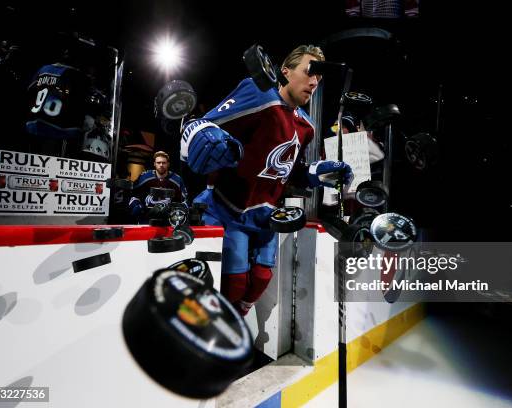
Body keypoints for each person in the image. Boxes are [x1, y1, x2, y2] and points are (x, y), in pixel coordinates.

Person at [180, 45, 354, 315]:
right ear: (285, 71)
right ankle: (222, 328)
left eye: (319, 79)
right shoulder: (260, 93)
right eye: (309, 73)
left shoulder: (306, 126)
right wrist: (197, 136)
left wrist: (318, 174)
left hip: (266, 215)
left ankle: (237, 317)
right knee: (235, 284)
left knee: (261, 280)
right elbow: (205, 125)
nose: (314, 82)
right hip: (230, 207)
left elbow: (290, 171)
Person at [129, 151, 188, 222]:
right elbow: (133, 195)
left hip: (168, 220)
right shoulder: (145, 177)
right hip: (146, 219)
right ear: (154, 164)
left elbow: (185, 201)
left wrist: (178, 212)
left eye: (164, 163)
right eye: (158, 162)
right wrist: (136, 205)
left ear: (168, 164)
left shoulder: (177, 180)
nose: (161, 165)